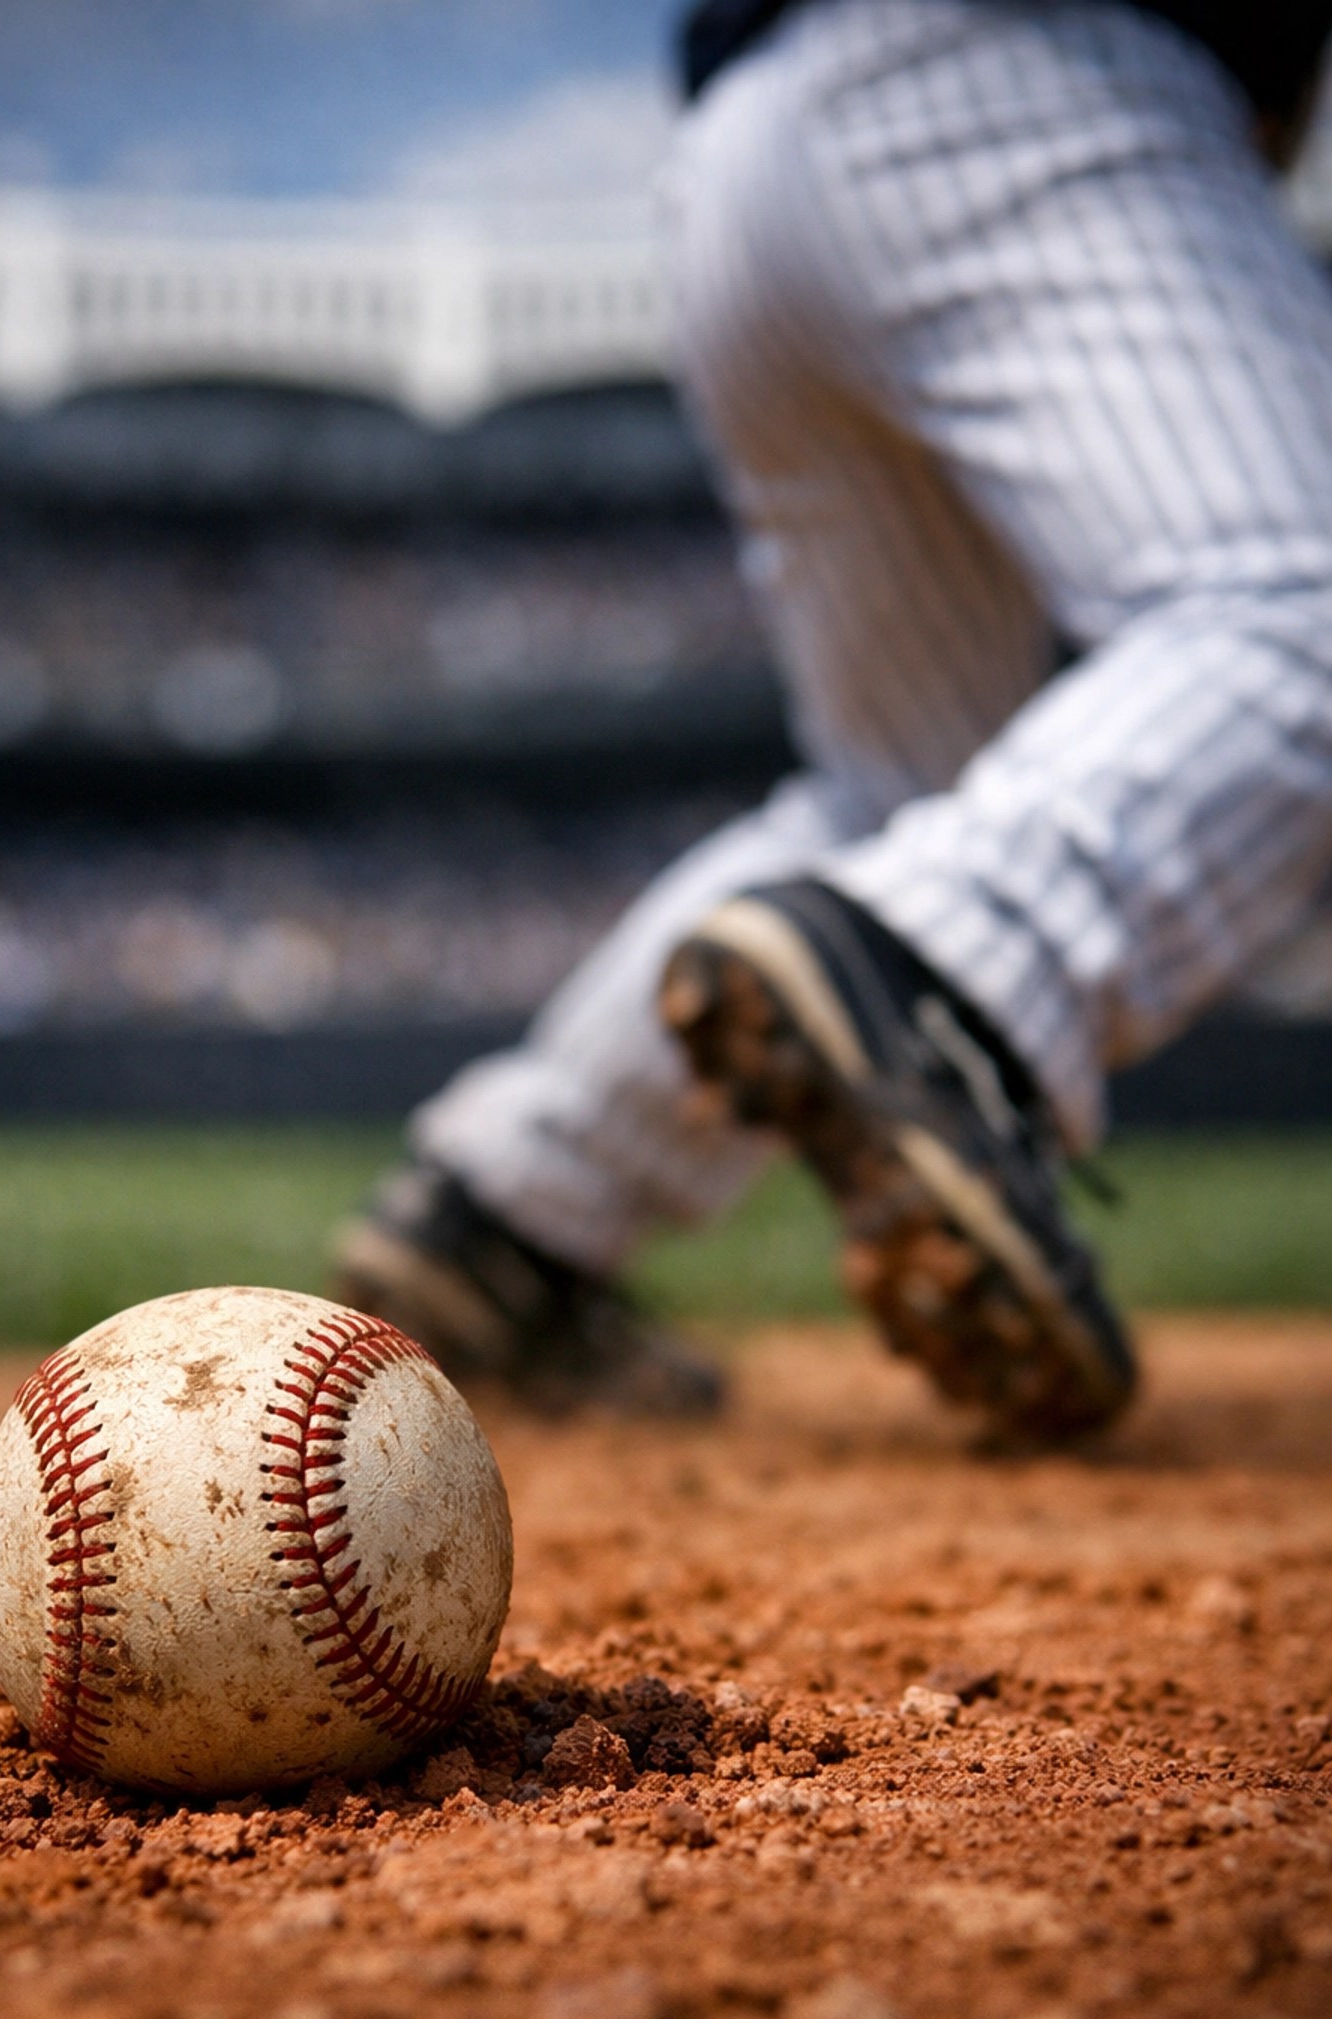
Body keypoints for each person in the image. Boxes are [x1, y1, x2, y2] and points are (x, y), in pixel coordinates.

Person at [332, 0, 1332, 1443]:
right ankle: (945, 980)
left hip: (747, 167)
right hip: (1039, 78)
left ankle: (510, 1222)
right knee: (1298, 601)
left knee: (903, 794)